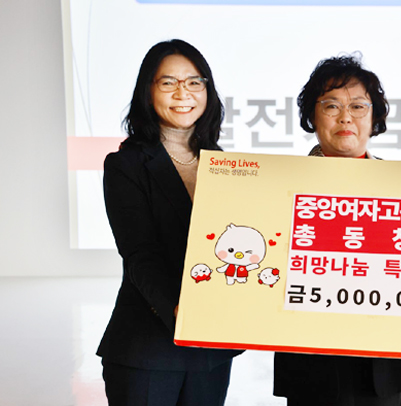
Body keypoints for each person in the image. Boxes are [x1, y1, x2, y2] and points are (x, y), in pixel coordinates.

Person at [273, 55, 401, 406]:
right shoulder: (280, 187)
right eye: (331, 106)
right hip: (311, 365)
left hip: (383, 365)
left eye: (357, 106)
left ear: (374, 117)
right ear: (312, 116)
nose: (345, 117)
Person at [98, 39, 240, 406]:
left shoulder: (223, 163)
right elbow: (139, 253)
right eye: (168, 82)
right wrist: (179, 309)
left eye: (194, 82)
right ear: (148, 91)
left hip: (210, 351)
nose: (183, 93)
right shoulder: (126, 164)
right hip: (148, 347)